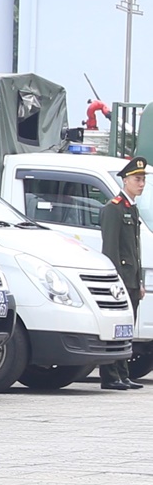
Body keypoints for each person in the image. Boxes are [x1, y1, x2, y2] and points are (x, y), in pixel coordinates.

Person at [103, 156, 146, 390]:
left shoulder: (132, 208)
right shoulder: (114, 208)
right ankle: (110, 376)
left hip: (131, 280)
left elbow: (134, 251)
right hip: (120, 280)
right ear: (125, 180)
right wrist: (116, 281)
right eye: (137, 179)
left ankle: (123, 373)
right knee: (117, 327)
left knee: (127, 328)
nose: (141, 184)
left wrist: (138, 282)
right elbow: (111, 248)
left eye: (143, 180)